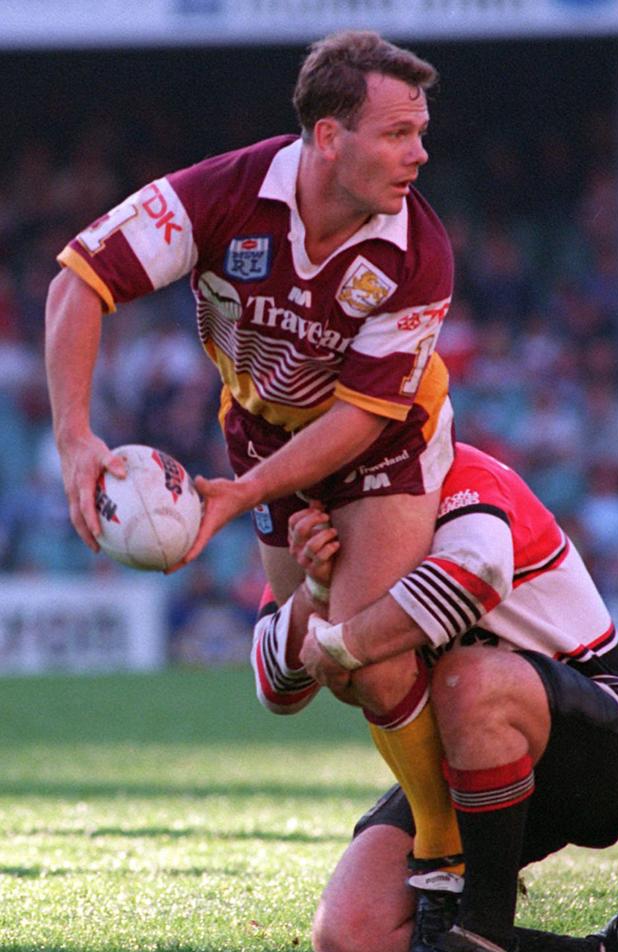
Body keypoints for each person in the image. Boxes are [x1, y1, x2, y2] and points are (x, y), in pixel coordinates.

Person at [45, 33, 461, 870]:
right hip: (264, 431)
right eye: (397, 133)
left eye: (420, 131)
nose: (420, 152)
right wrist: (75, 440)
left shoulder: (418, 250)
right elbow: (78, 284)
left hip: (388, 439)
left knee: (362, 647)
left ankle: (447, 846)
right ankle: (324, 606)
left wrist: (241, 496)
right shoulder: (221, 196)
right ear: (329, 137)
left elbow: (360, 417)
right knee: (292, 681)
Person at [251, 441, 618, 952]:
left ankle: (480, 934)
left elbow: (473, 576)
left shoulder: (466, 473)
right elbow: (277, 688)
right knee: (353, 937)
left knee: (465, 677)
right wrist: (316, 590)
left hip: (600, 738)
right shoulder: (327, 517)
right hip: (461, 758)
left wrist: (345, 640)